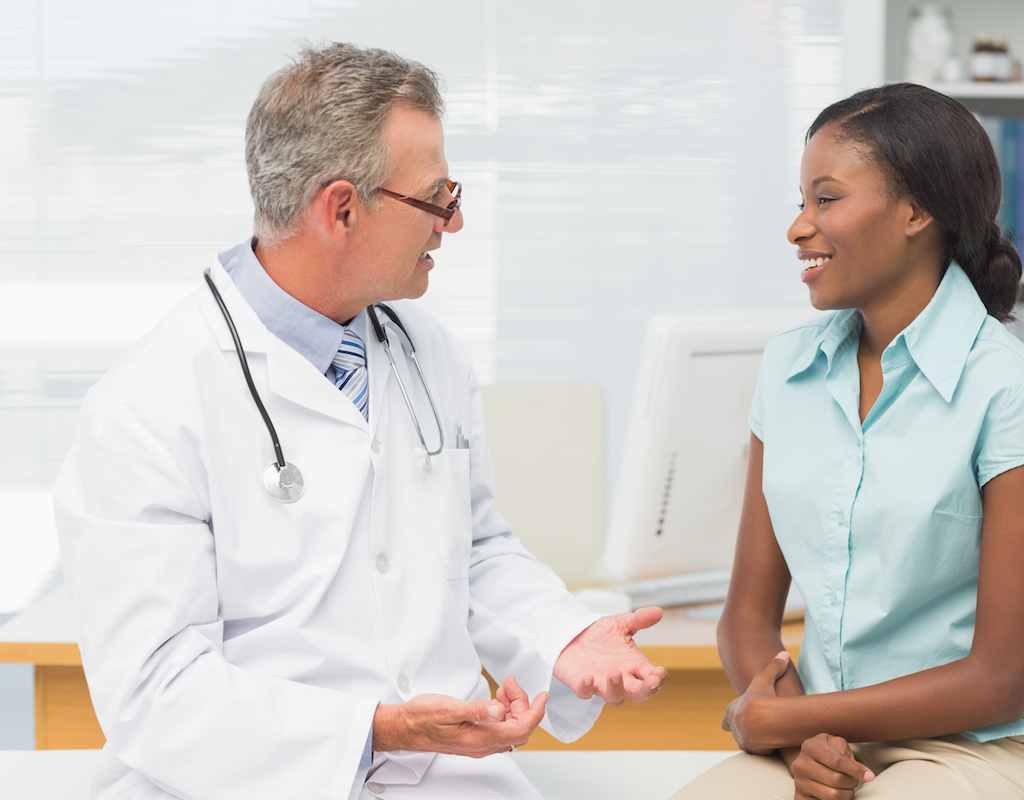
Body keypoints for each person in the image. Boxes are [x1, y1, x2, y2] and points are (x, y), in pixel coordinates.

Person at [54, 43, 667, 800]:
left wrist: (565, 636)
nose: (455, 219)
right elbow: (157, 695)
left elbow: (471, 552)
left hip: (447, 779)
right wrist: (375, 731)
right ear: (341, 208)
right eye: (438, 196)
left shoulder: (427, 352)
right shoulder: (147, 407)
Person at [671, 83, 1024, 800]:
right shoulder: (787, 368)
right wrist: (802, 735)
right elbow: (747, 614)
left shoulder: (1017, 392)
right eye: (801, 201)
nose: (799, 227)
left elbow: (1000, 679)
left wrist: (790, 717)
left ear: (917, 211)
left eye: (826, 199)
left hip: (985, 748)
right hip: (827, 739)